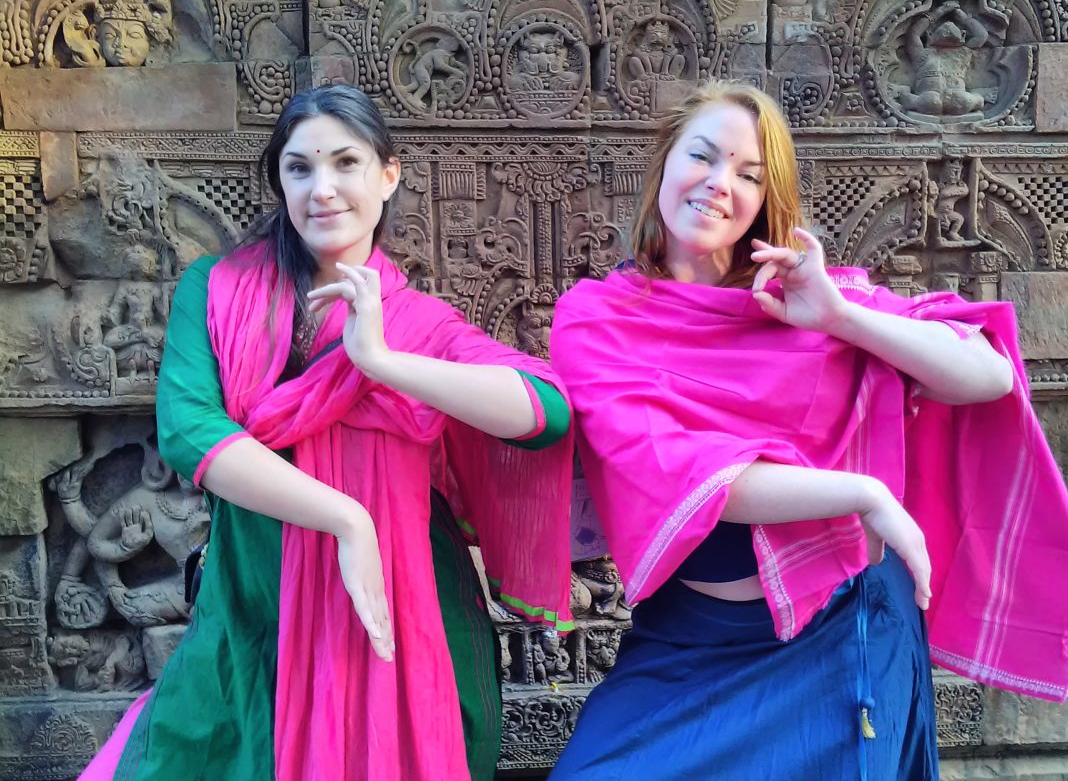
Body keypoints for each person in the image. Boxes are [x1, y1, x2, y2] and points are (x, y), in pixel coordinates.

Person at [549, 79, 1068, 780]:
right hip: (693, 642)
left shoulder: (807, 299)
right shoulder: (597, 318)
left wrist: (839, 318)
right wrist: (862, 493)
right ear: (666, 160)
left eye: (748, 175)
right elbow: (689, 471)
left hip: (842, 629)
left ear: (767, 201)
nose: (718, 183)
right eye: (702, 156)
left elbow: (988, 375)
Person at [78, 83, 575, 781]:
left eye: (347, 163)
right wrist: (348, 520)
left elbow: (544, 411)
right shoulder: (215, 291)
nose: (324, 188)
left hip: (403, 617)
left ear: (388, 173)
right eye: (300, 167)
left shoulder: (418, 325)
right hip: (255, 602)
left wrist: (380, 361)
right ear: (279, 179)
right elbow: (190, 431)